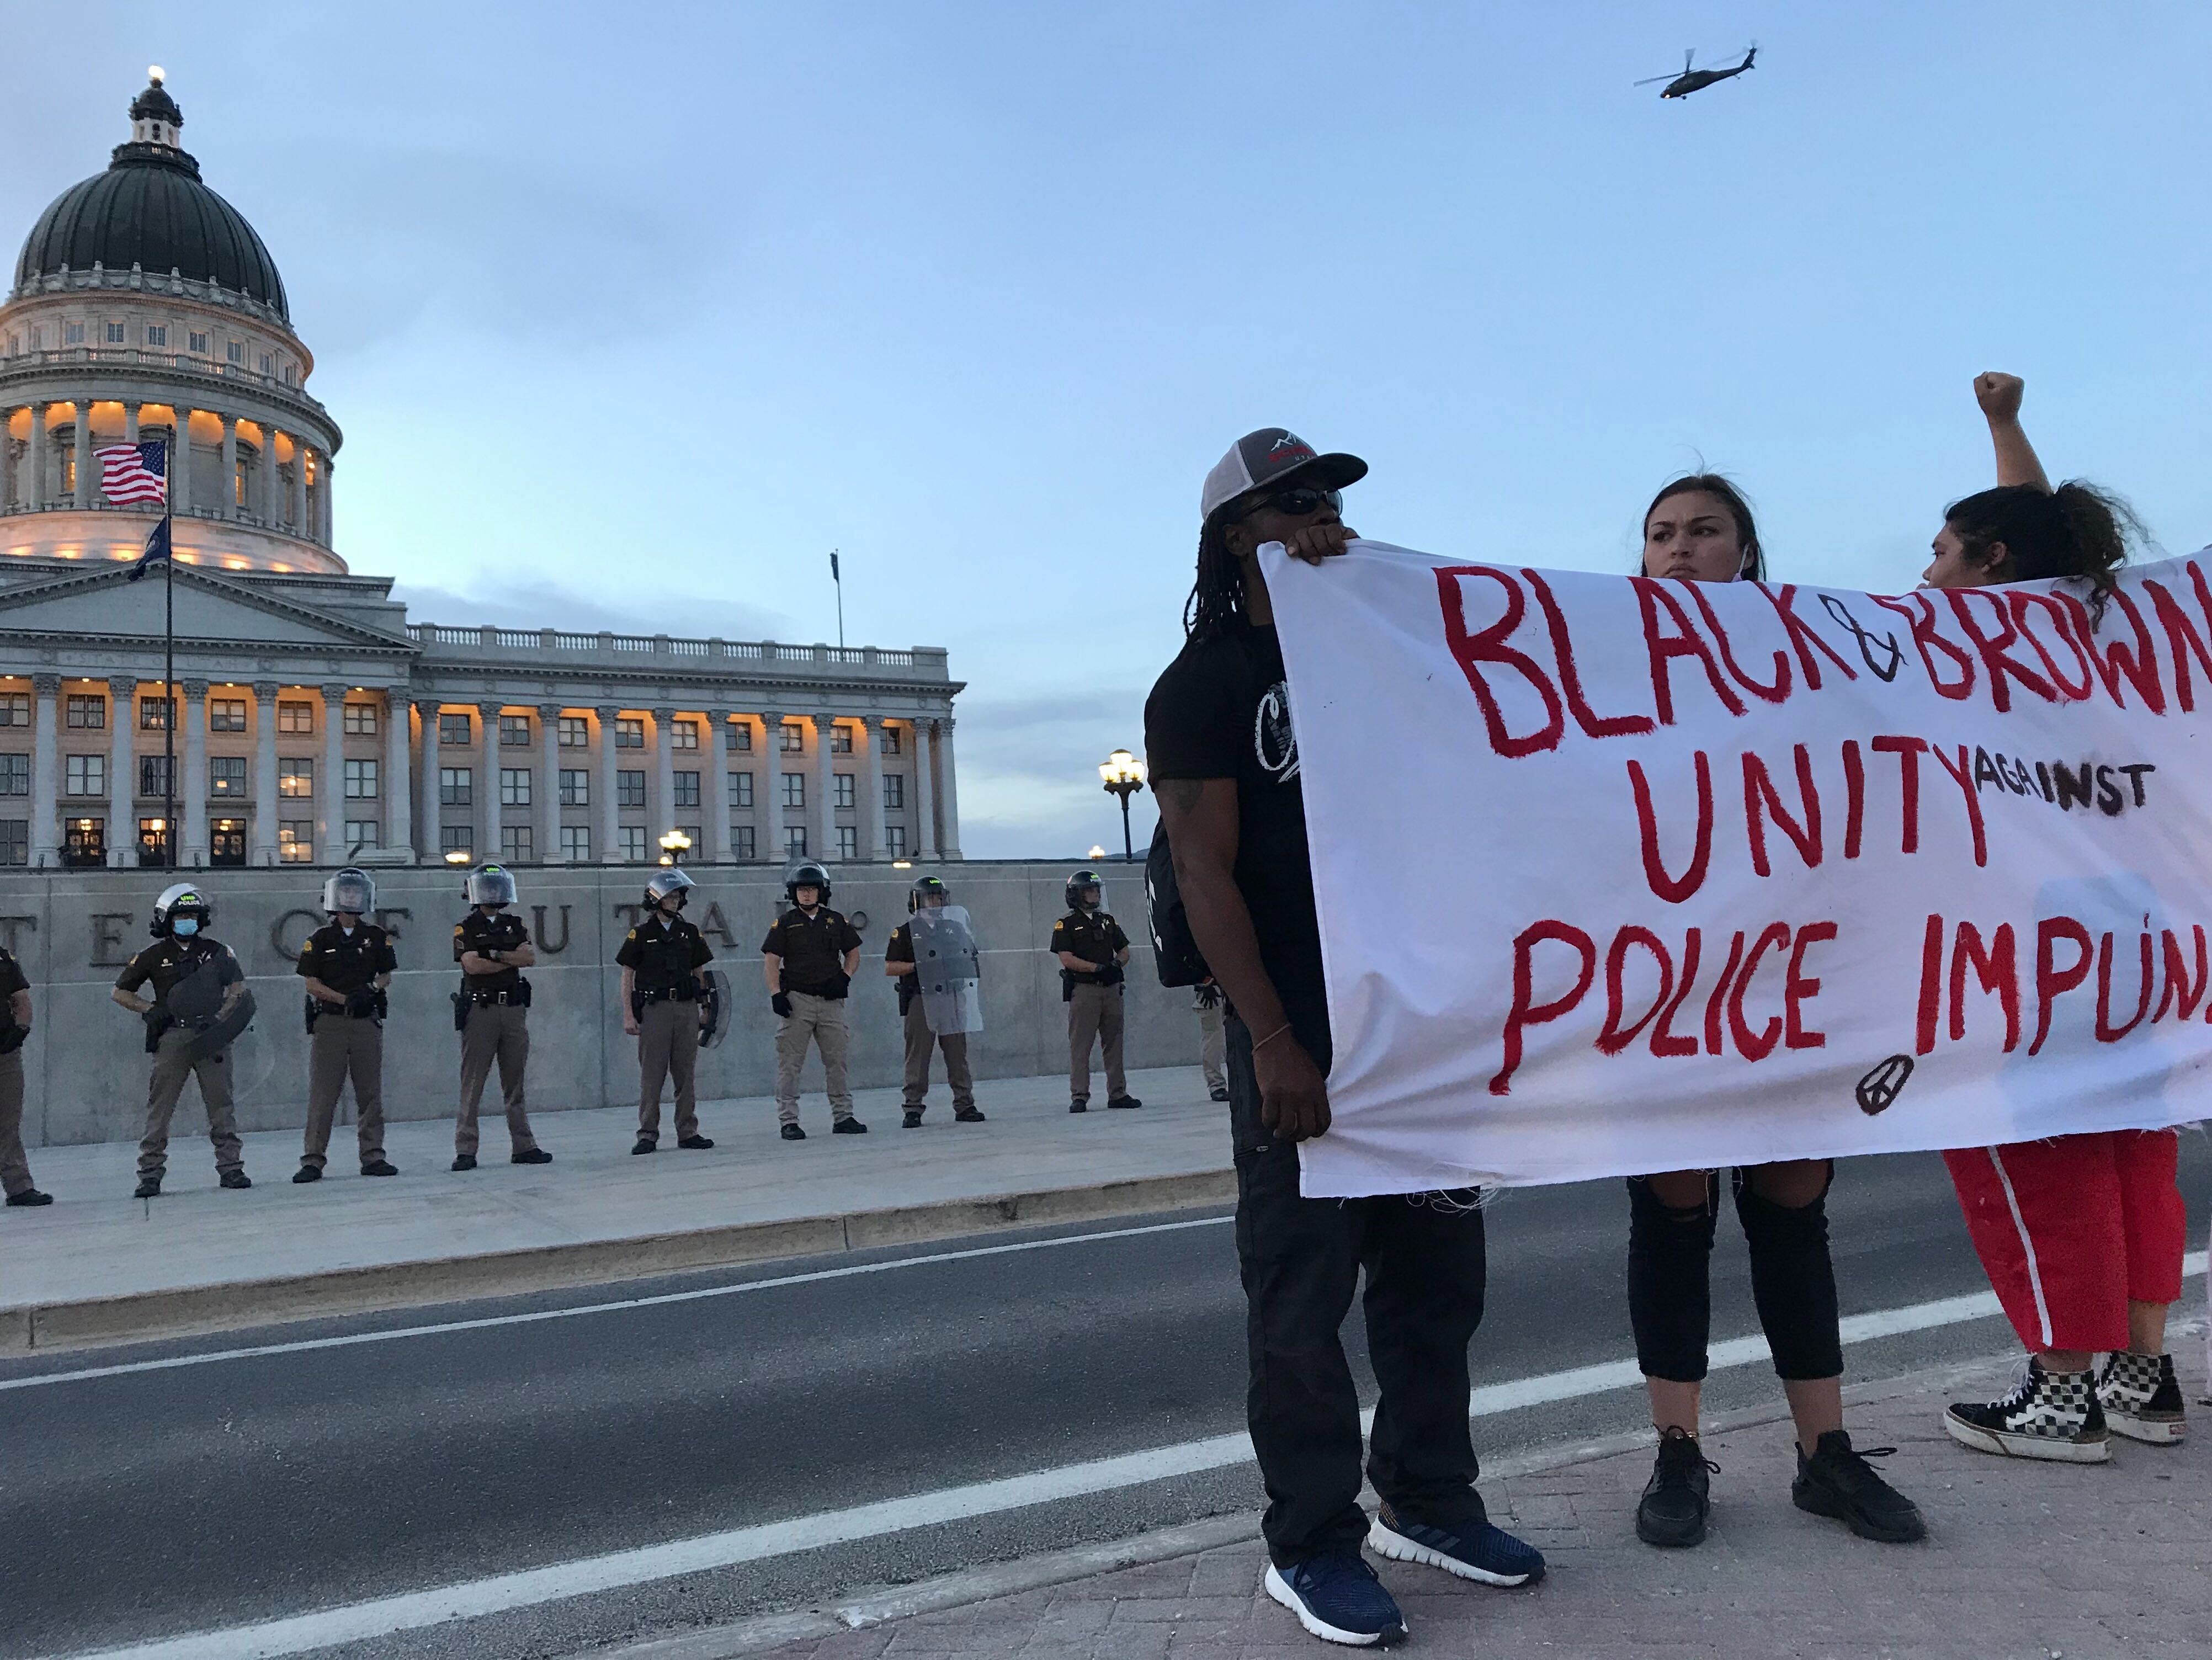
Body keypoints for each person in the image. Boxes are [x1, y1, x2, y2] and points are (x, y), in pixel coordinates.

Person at [1148, 428, 1545, 1650]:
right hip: (1303, 1023)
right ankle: (1312, 1540)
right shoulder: (1201, 685)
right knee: (1301, 1292)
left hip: (1419, 1019)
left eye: (1326, 497)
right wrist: (1271, 1038)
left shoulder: (1394, 657)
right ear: (1233, 538)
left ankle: (1426, 1500)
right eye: (1287, 505)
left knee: (1438, 1283)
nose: (1319, 518)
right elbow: (1207, 874)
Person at [1625, 475, 1923, 1547]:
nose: (1681, 547)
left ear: (1746, 552)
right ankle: (1675, 1451)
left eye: (1705, 531)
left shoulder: (1810, 658)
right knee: (1672, 1212)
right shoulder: (1605, 661)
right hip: (1666, 980)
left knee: (1794, 1212)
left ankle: (1824, 1455)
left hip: (1792, 975)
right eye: (1662, 534)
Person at [1926, 371, 2187, 1459]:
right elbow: (2041, 540)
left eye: (1945, 551)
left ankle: (2059, 1390)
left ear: (1989, 567)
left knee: (2036, 1155)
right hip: (2138, 933)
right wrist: (2002, 428)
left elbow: (2018, 545)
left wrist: (2003, 432)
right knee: (2132, 1150)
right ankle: (2141, 1375)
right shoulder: (2094, 632)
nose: (1928, 570)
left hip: (2032, 943)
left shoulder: (1978, 648)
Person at [111, 883, 251, 1199]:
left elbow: (238, 989)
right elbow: (119, 992)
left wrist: (220, 1019)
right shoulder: (151, 956)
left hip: (211, 1036)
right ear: (167, 920)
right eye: (180, 916)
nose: (187, 921)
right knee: (160, 1109)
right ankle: (150, 1174)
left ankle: (232, 1169)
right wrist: (150, 1009)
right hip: (172, 1037)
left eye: (192, 915)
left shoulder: (218, 952)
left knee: (221, 1106)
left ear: (201, 920)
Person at [293, 866, 398, 1183]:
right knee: (324, 1095)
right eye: (346, 892)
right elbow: (311, 983)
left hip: (366, 1021)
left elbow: (386, 975)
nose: (351, 897)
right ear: (334, 898)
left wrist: (372, 991)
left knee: (370, 1094)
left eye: (356, 892)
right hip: (331, 1023)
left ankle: (373, 1156)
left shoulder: (377, 936)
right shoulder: (320, 938)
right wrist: (343, 999)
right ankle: (313, 1160)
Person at [451, 863, 552, 1172]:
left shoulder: (514, 924)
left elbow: (529, 958)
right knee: (473, 1083)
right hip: (480, 1011)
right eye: (488, 888)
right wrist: (507, 960)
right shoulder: (466, 927)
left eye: (497, 888)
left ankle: (524, 1146)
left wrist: (494, 955)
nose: (493, 893)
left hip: (512, 1010)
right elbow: (472, 966)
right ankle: (466, 1150)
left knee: (515, 1083)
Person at [762, 860, 864, 1140]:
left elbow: (853, 952)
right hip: (797, 1002)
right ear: (793, 894)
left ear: (822, 892)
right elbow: (771, 961)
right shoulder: (785, 923)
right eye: (801, 890)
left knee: (837, 1061)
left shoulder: (836, 921)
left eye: (812, 890)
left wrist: (845, 976)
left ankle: (843, 1116)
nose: (806, 895)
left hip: (831, 1002)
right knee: (790, 1064)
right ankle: (789, 1121)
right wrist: (776, 994)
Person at [618, 868, 716, 1155]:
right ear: (656, 899)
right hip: (655, 1010)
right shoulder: (641, 934)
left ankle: (688, 1131)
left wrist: (705, 1005)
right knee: (652, 1075)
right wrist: (628, 1013)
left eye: (678, 896)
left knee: (685, 1073)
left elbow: (700, 971)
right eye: (670, 896)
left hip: (686, 1008)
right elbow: (627, 975)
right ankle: (648, 1134)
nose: (675, 901)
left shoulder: (690, 932)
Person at [884, 874, 983, 1129]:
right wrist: (918, 966)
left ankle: (965, 1104)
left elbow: (969, 955)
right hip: (921, 997)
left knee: (957, 1054)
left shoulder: (954, 927)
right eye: (930, 897)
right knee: (918, 1055)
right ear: (917, 901)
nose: (935, 902)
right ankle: (913, 1108)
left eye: (939, 897)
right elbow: (891, 967)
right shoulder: (904, 932)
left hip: (951, 995)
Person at [1051, 869, 1140, 1114]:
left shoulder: (1108, 921)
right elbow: (1067, 959)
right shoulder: (1066, 924)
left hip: (1111, 990)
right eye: (1090, 890)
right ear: (1077, 894)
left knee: (1114, 1043)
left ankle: (1118, 1093)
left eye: (1096, 890)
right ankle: (1079, 1095)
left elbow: (1124, 950)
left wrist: (1116, 965)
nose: (1095, 894)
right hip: (1085, 990)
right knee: (1081, 1045)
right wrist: (1096, 969)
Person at [0, 939, 47, 1207]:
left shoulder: (2, 960)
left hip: (4, 1054)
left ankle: (19, 1188)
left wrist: (20, 1030)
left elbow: (21, 999)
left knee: (7, 1124)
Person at [1195, 979, 1229, 1103]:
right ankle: (1216, 1086)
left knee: (1228, 1037)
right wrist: (1205, 985)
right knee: (1213, 1038)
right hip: (1211, 989)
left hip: (1229, 989)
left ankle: (1223, 1084)